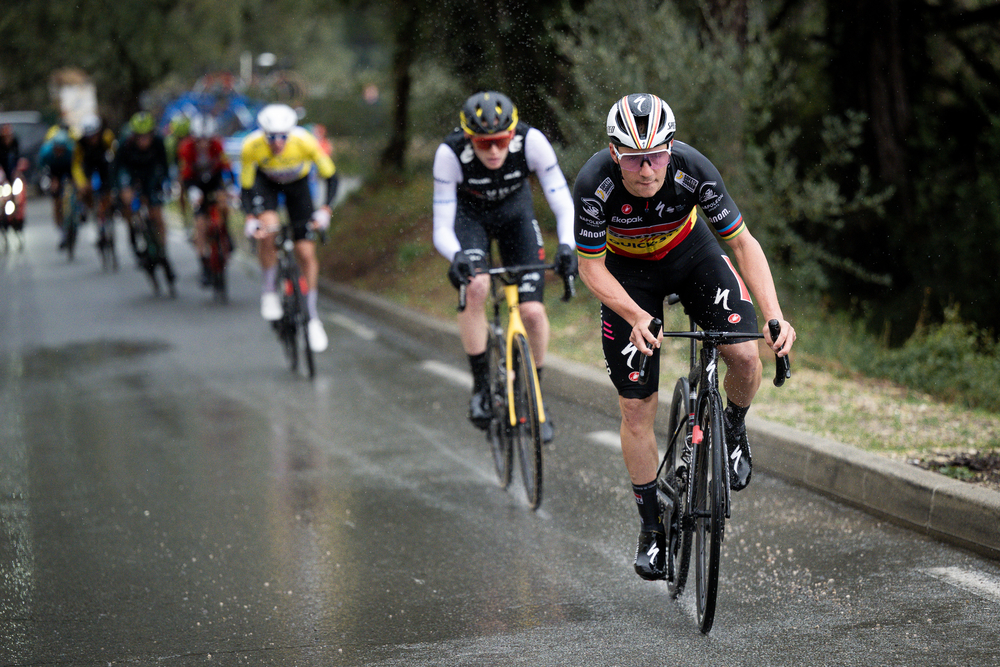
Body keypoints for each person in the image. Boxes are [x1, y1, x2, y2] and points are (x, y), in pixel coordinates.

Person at [572, 93, 796, 581]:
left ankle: (733, 427)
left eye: (656, 154)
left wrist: (775, 314)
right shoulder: (594, 185)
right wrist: (633, 314)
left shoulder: (693, 169)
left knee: (744, 353)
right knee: (636, 407)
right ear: (615, 153)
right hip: (627, 277)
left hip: (691, 255)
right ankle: (652, 531)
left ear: (670, 147)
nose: (647, 168)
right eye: (634, 157)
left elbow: (741, 242)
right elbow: (590, 268)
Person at [432, 91, 577, 443]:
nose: (494, 151)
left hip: (516, 217)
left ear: (512, 135)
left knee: (532, 311)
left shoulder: (532, 142)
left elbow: (562, 203)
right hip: (471, 221)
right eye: (484, 144)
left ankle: (535, 396)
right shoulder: (449, 154)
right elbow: (441, 227)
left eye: (500, 142)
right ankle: (481, 386)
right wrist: (456, 256)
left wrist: (568, 246)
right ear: (470, 139)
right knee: (477, 286)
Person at [240, 103, 339, 353]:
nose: (277, 142)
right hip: (267, 186)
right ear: (263, 134)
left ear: (290, 133)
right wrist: (251, 217)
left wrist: (325, 209)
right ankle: (269, 290)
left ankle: (313, 316)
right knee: (269, 228)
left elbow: (331, 176)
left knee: (305, 252)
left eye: (282, 136)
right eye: (271, 137)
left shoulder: (305, 142)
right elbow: (246, 187)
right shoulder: (251, 146)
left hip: (298, 187)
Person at [115, 111, 175, 292]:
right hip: (131, 176)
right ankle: (134, 238)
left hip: (151, 176)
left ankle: (162, 248)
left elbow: (164, 166)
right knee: (129, 208)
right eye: (139, 136)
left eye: (146, 135)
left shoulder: (158, 142)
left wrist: (165, 184)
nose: (143, 140)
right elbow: (117, 169)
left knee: (157, 213)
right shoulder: (124, 145)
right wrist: (122, 189)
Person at [177, 114, 233, 286]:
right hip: (195, 183)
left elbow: (227, 168)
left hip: (214, 181)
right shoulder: (186, 148)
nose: (203, 144)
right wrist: (192, 193)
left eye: (206, 140)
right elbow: (185, 176)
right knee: (200, 225)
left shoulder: (217, 145)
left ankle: (226, 232)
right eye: (199, 140)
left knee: (224, 202)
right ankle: (204, 265)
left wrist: (230, 187)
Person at [71, 114, 117, 248]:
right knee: (85, 190)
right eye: (89, 136)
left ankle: (109, 208)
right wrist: (81, 183)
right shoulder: (80, 144)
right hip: (89, 166)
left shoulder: (107, 137)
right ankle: (91, 210)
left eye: (95, 135)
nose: (93, 139)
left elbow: (115, 155)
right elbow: (76, 165)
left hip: (104, 164)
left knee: (108, 190)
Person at [38, 128, 77, 232]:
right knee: (56, 197)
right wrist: (51, 180)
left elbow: (77, 166)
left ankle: (76, 212)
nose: (59, 152)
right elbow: (42, 168)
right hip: (53, 171)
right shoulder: (46, 152)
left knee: (76, 188)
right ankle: (60, 224)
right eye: (57, 149)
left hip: (68, 169)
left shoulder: (72, 150)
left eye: (61, 149)